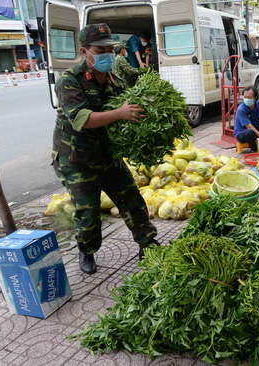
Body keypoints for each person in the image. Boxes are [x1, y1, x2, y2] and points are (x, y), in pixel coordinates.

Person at [52, 24, 157, 275]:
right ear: (84, 51)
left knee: (131, 199)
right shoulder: (69, 80)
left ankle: (147, 243)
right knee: (88, 214)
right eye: (101, 50)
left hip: (107, 154)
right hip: (76, 159)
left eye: (110, 49)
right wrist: (120, 113)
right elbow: (81, 119)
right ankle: (86, 250)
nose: (107, 55)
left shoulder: (114, 78)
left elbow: (126, 113)